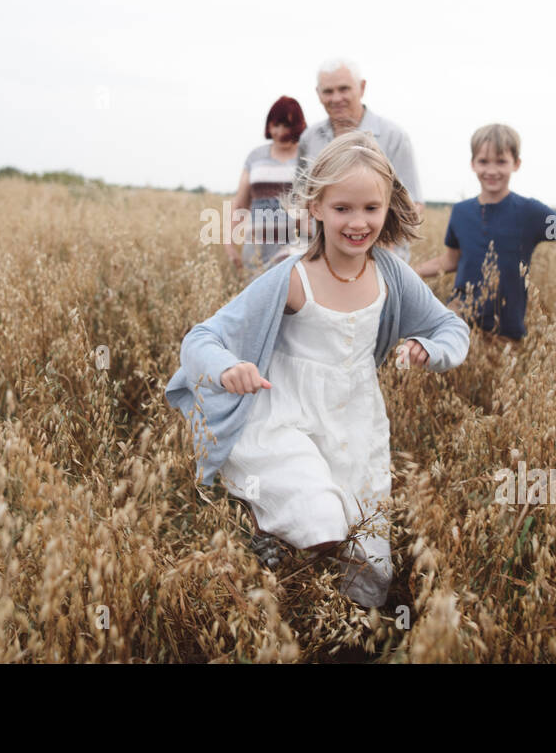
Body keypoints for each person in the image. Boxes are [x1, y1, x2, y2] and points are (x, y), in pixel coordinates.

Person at [165, 131, 470, 608]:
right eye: (343, 208)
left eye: (371, 208)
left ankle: (338, 634)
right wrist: (228, 369)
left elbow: (450, 327)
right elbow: (201, 338)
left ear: (389, 207)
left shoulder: (391, 275)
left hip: (358, 427)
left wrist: (429, 349)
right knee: (320, 518)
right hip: (287, 418)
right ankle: (266, 543)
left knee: (369, 569)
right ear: (315, 207)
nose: (358, 222)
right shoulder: (292, 277)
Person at [414, 123, 556, 343]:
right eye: (483, 161)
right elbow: (450, 261)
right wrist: (412, 272)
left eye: (501, 161)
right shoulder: (460, 212)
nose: (491, 170)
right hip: (459, 319)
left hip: (505, 328)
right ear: (473, 164)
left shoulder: (532, 213)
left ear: (516, 163)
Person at [296, 58, 425, 264]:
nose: (336, 98)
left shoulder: (393, 136)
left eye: (344, 89)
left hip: (382, 258)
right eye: (328, 91)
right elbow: (301, 199)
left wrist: (376, 240)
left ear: (362, 87)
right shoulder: (309, 139)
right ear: (318, 94)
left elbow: (413, 204)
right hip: (321, 260)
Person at [225, 97, 305, 275]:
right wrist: (228, 243)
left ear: (298, 126)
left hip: (295, 248)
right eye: (276, 125)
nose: (281, 132)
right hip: (256, 249)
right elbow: (240, 203)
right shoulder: (256, 157)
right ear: (269, 126)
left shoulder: (307, 157)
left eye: (287, 126)